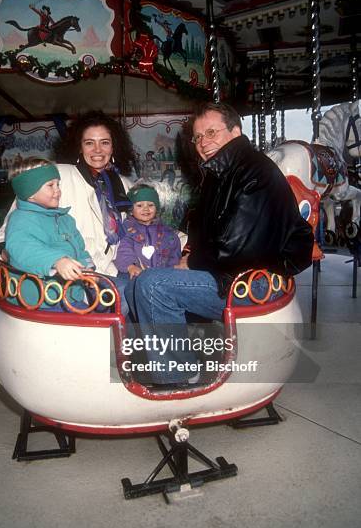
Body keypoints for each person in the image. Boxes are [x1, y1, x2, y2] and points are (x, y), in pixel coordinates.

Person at [126, 102, 313, 386]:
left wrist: (191, 262)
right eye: (198, 137)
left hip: (250, 281)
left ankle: (177, 377)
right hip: (229, 271)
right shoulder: (221, 172)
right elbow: (211, 236)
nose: (203, 142)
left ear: (236, 131)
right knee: (135, 283)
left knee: (152, 284)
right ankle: (162, 359)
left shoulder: (254, 172)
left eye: (211, 132)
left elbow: (238, 249)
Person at [0, 111, 136, 312]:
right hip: (64, 277)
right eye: (89, 143)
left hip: (109, 268)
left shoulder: (124, 185)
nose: (97, 149)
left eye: (104, 142)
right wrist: (5, 250)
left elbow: (144, 223)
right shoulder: (58, 174)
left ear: (114, 146)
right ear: (79, 147)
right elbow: (17, 221)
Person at [5, 157, 95, 308]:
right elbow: (23, 248)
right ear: (30, 192)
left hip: (70, 295)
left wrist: (88, 268)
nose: (57, 190)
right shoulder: (21, 219)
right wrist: (57, 261)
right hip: (41, 300)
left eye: (58, 184)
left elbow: (80, 249)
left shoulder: (65, 219)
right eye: (50, 185)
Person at [114, 183, 182, 279]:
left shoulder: (167, 233)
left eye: (150, 205)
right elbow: (124, 249)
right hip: (134, 276)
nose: (146, 209)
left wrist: (173, 269)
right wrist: (130, 266)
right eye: (139, 205)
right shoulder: (126, 229)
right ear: (131, 210)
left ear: (157, 208)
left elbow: (174, 255)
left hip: (162, 278)